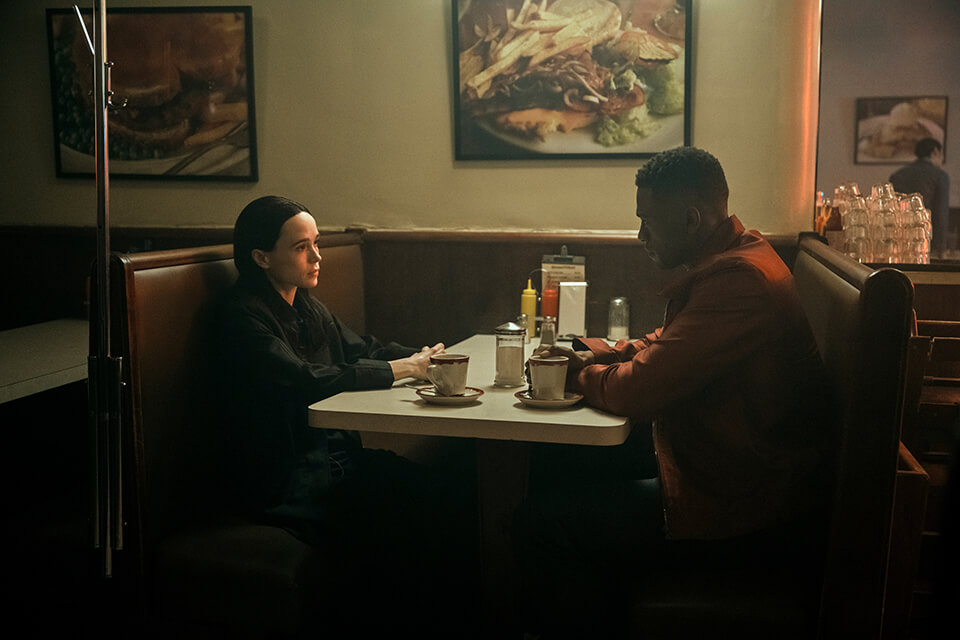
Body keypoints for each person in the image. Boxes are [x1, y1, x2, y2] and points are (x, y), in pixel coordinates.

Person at [515, 147, 831, 638]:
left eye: (647, 221)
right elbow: (670, 343)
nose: (640, 236)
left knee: (545, 522)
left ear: (690, 218)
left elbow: (638, 390)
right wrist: (599, 354)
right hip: (728, 471)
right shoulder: (740, 256)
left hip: (742, 507)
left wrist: (570, 376)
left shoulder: (740, 280)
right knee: (553, 463)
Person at [215, 195, 478, 636]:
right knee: (410, 517)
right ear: (261, 257)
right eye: (302, 247)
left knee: (447, 491)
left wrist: (427, 359)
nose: (317, 256)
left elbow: (363, 350)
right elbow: (305, 378)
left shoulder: (306, 305)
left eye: (316, 243)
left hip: (339, 462)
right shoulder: (239, 316)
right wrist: (400, 369)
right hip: (287, 477)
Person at [890, 137, 952, 257]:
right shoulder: (940, 176)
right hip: (927, 241)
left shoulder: (898, 175)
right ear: (935, 152)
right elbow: (941, 213)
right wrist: (942, 248)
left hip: (900, 239)